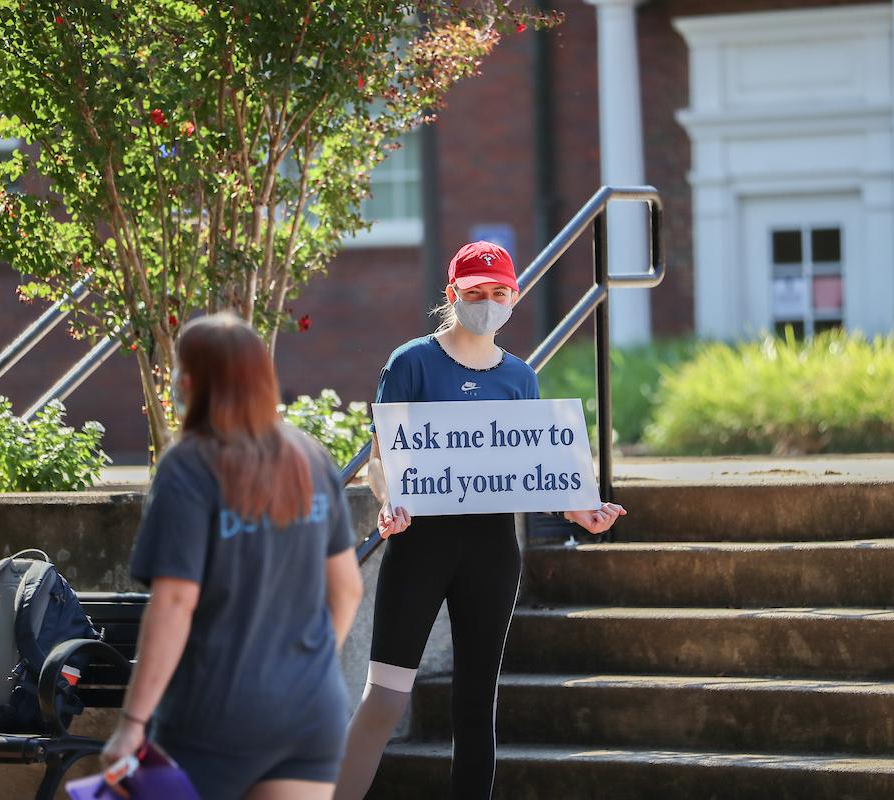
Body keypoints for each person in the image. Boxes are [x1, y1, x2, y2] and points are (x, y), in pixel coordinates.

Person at [334, 241, 626, 799]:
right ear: (453, 295)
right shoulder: (411, 362)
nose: (487, 302)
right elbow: (380, 460)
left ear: (513, 296)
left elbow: (528, 473)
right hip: (420, 545)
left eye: (498, 293)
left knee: (476, 703)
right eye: (475, 293)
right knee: (385, 699)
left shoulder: (520, 378)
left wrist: (578, 510)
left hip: (492, 551)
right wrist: (387, 501)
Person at [101, 312, 364, 800]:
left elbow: (175, 602)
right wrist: (306, 668)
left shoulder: (189, 465)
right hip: (310, 712)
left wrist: (133, 723)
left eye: (182, 371)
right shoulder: (309, 457)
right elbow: (348, 588)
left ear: (194, 382)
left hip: (214, 715)